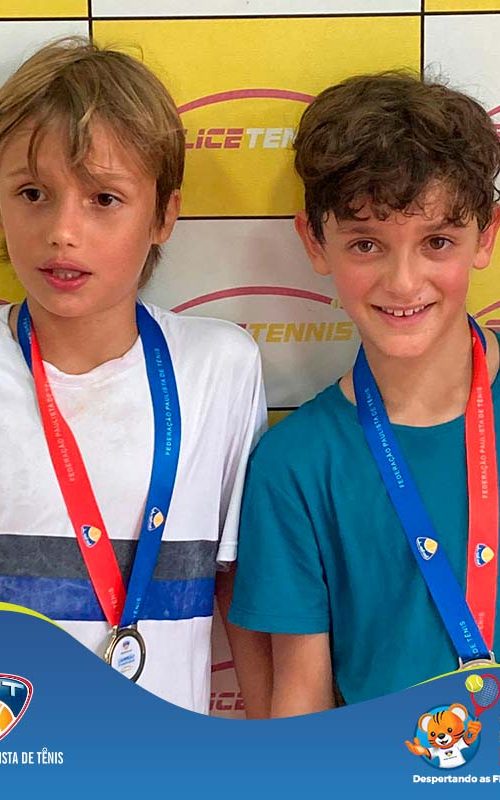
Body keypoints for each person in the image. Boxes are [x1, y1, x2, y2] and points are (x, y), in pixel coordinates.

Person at [0, 37, 269, 715]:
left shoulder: (220, 367)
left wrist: (277, 757)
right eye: (32, 193)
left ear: (164, 216)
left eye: (103, 198)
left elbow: (242, 593)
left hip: (163, 759)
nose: (63, 231)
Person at [229, 72, 500, 716]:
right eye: (367, 244)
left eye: (437, 242)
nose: (403, 282)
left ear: (486, 236)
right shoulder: (295, 464)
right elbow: (301, 696)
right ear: (314, 241)